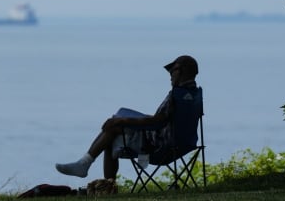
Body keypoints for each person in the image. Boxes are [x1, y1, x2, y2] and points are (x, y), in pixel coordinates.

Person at [55, 54, 199, 180]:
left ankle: (89, 169)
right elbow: (164, 120)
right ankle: (86, 166)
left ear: (182, 71)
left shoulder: (176, 95)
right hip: (183, 145)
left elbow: (157, 122)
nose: (170, 76)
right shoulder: (194, 95)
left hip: (158, 147)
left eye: (172, 71)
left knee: (112, 130)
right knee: (117, 121)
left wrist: (123, 120)